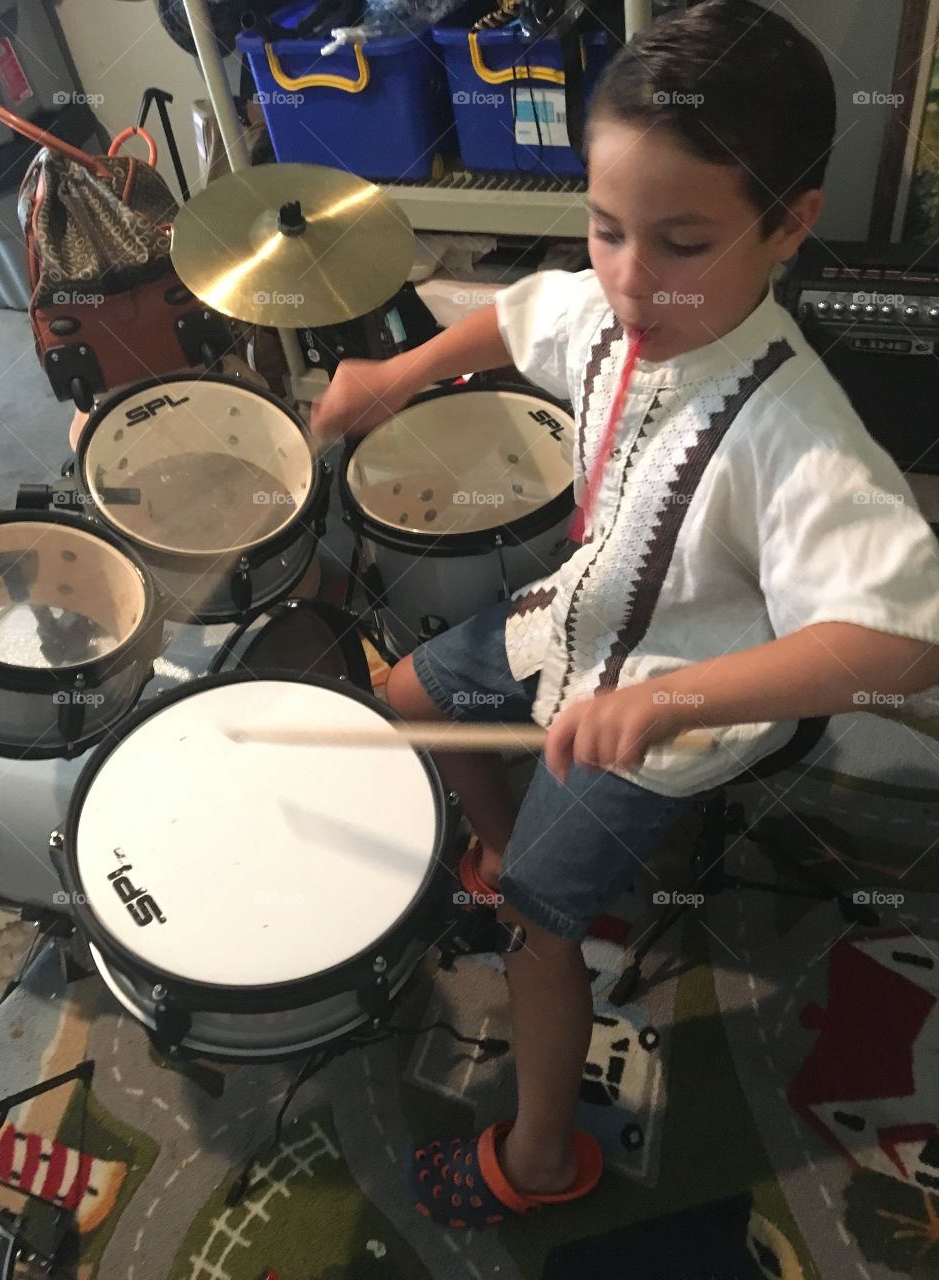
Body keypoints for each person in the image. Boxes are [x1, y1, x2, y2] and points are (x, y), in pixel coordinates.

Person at [311, 0, 939, 1229]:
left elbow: (899, 636)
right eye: (606, 228)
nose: (632, 279)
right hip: (576, 621)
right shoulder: (611, 302)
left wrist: (671, 698)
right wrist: (390, 374)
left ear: (789, 225)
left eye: (685, 242)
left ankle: (540, 1151)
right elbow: (515, 313)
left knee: (544, 939)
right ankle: (509, 860)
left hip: (687, 698)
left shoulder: (794, 431)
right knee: (405, 697)